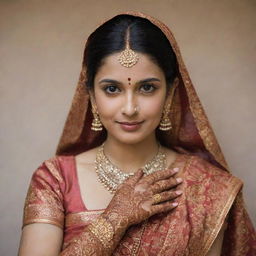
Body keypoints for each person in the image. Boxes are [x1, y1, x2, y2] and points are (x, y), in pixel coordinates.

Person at [18, 12, 256, 255]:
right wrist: (115, 218)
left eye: (147, 88)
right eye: (112, 89)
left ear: (170, 93)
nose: (130, 108)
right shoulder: (55, 180)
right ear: (91, 96)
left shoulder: (208, 189)